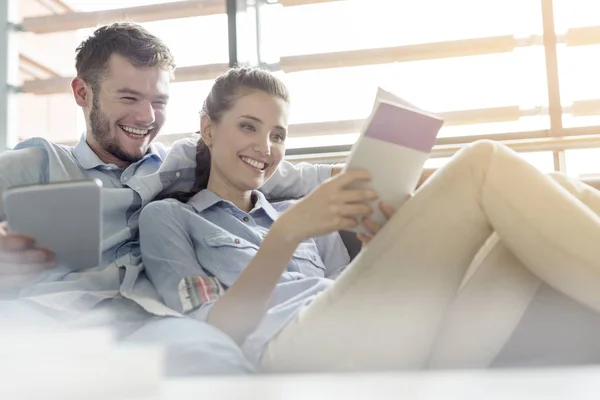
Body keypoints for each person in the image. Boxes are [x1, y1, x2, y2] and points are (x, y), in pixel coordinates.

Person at [139, 66, 600, 373]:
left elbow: (351, 288)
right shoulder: (170, 218)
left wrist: (391, 236)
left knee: (551, 193)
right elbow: (214, 327)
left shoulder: (297, 215)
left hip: (388, 339)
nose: (265, 147)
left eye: (278, 135)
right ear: (207, 129)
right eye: (248, 126)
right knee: (481, 164)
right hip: (293, 352)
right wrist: (286, 235)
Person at [0, 22, 336, 376]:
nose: (146, 117)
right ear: (83, 93)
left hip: (153, 321)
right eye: (128, 97)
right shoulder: (39, 162)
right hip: (47, 316)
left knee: (213, 358)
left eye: (158, 102)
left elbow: (292, 174)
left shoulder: (184, 162)